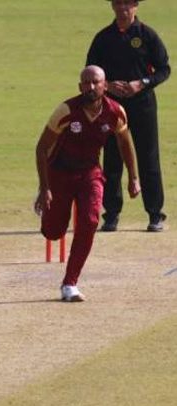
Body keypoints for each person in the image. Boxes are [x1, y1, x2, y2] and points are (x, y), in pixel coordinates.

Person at [34, 66, 141, 301]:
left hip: (90, 173)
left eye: (95, 82)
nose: (90, 87)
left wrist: (133, 177)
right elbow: (41, 148)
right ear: (80, 86)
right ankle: (48, 216)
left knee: (90, 221)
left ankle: (70, 284)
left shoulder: (115, 112)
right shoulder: (66, 110)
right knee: (53, 232)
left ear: (105, 85)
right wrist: (45, 188)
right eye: (85, 83)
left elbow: (125, 143)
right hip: (59, 174)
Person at [86, 0, 170, 232]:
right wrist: (107, 86)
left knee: (148, 157)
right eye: (119, 3)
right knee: (112, 157)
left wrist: (141, 83)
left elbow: (164, 69)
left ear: (136, 6)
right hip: (112, 106)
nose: (123, 8)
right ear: (113, 6)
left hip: (143, 105)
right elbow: (90, 71)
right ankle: (111, 214)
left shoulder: (147, 35)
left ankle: (155, 214)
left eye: (128, 4)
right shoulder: (103, 38)